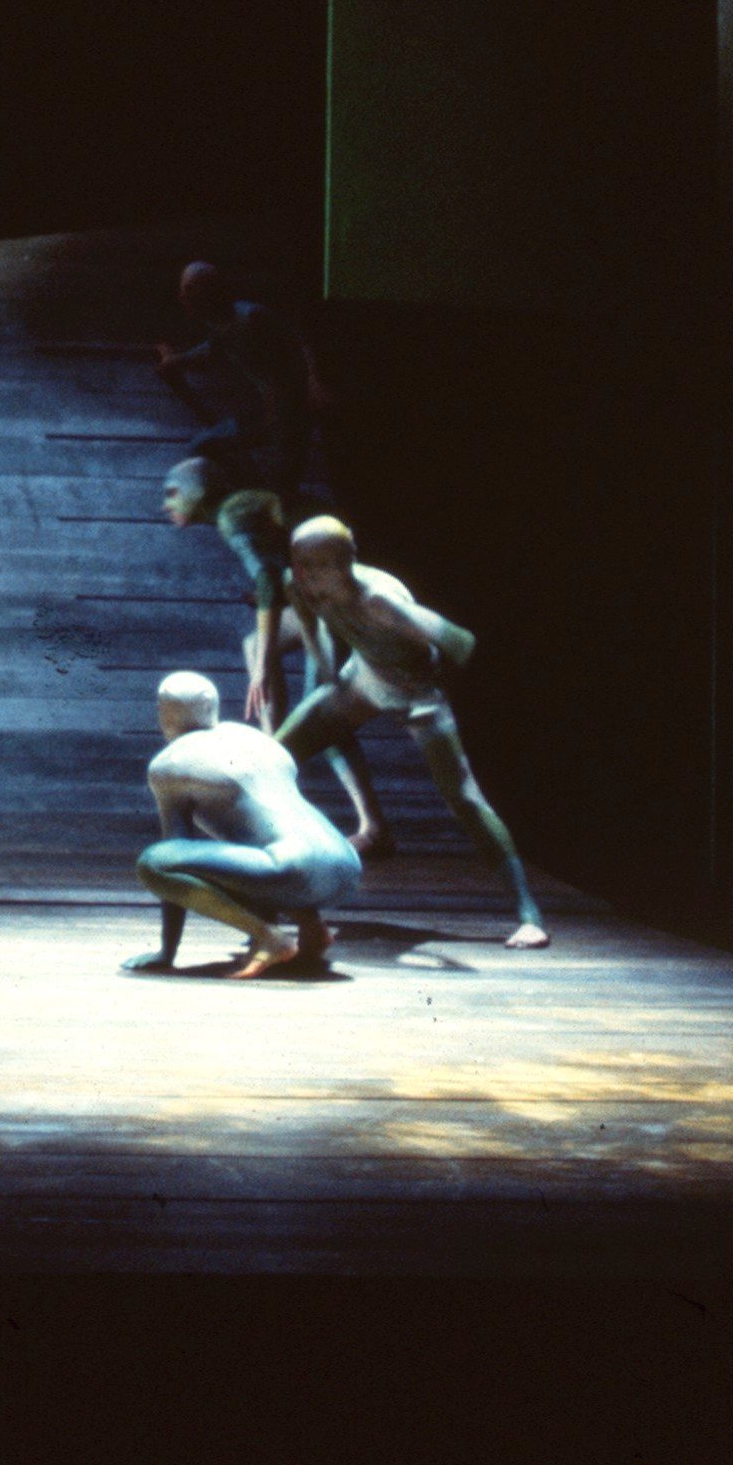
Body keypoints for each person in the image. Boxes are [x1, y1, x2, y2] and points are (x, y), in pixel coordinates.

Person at [275, 516, 550, 949]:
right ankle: (271, 889)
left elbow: (460, 643)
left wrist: (434, 666)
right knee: (271, 758)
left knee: (464, 799)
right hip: (363, 680)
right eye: (300, 562)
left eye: (318, 565)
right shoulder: (298, 584)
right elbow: (313, 624)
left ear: (345, 565)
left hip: (417, 695)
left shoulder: (380, 599)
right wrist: (328, 674)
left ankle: (529, 915)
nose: (306, 574)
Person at [160, 463, 394, 856]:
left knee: (322, 706)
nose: (167, 503)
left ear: (199, 490)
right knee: (256, 647)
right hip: (321, 597)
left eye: (173, 492)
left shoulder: (233, 516)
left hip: (341, 599)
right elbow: (280, 571)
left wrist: (262, 669)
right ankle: (273, 754)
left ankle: (371, 827)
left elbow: (269, 579)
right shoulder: (240, 508)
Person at [125, 671, 362, 979]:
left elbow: (173, 854)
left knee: (154, 863)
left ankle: (269, 938)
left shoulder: (169, 764)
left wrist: (166, 953)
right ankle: (312, 927)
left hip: (293, 868)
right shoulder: (254, 739)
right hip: (346, 866)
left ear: (165, 713)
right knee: (248, 854)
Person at [151, 261, 316, 503]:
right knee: (204, 446)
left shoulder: (252, 318)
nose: (183, 297)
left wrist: (313, 384)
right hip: (269, 415)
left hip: (288, 419)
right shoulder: (225, 324)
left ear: (211, 293)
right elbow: (214, 348)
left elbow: (298, 343)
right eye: (184, 290)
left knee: (282, 492)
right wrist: (177, 361)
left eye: (190, 290)